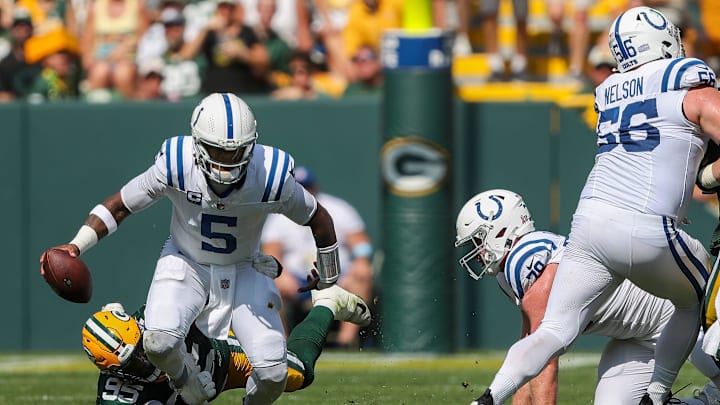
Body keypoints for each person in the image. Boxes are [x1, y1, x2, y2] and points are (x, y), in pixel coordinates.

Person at [469, 6, 720, 405]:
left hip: (588, 225)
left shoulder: (609, 91)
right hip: (647, 228)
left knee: (551, 330)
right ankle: (656, 396)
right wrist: (707, 176)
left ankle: (487, 398)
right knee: (696, 300)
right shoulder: (685, 80)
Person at [40, 92, 346, 405]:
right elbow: (121, 205)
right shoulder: (176, 163)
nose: (227, 161)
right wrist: (77, 245)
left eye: (235, 152)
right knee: (158, 342)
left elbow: (319, 218)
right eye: (217, 151)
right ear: (197, 143)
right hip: (186, 262)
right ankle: (186, 381)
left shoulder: (271, 175)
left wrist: (329, 276)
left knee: (273, 376)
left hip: (244, 269)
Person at [455, 189, 720, 405]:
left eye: (479, 241)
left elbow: (546, 361)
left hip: (675, 316)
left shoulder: (524, 261)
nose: (477, 253)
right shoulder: (511, 274)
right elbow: (529, 349)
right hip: (634, 338)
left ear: (501, 231)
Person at [82, 283, 371, 404]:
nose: (145, 360)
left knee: (296, 374)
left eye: (140, 349)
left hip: (220, 351)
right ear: (114, 373)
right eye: (132, 362)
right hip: (201, 373)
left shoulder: (158, 315)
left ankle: (328, 303)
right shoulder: (117, 397)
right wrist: (186, 400)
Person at [261, 165, 374, 348]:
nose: (305, 192)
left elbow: (361, 243)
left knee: (362, 275)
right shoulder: (280, 215)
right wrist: (282, 275)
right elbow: (270, 252)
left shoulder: (337, 208)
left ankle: (345, 344)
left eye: (308, 187)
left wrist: (361, 261)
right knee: (269, 282)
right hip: (299, 281)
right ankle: (284, 345)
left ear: (315, 188)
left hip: (338, 277)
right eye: (299, 187)